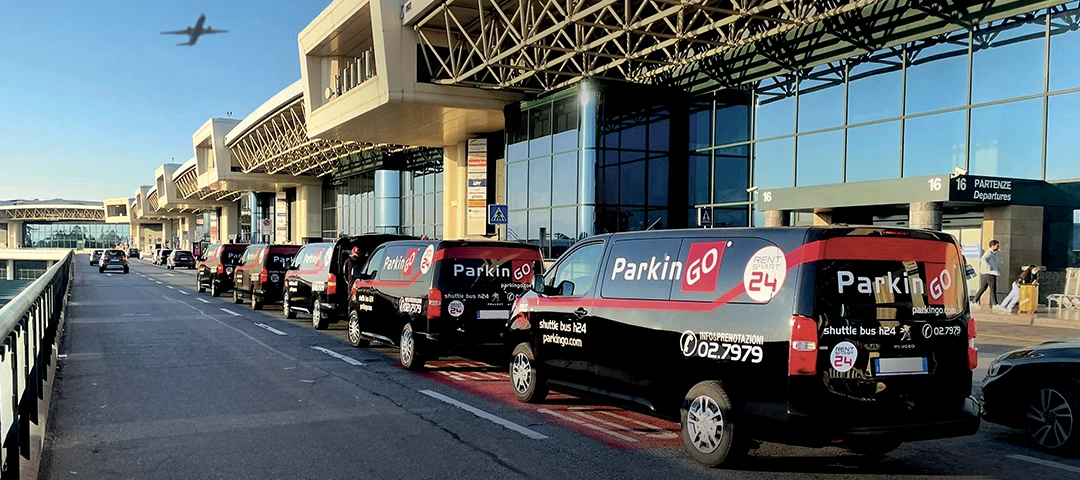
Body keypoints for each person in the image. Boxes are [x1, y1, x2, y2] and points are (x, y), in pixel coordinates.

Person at [972, 240, 1001, 308]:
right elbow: (983, 259)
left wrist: (996, 268)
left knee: (983, 288)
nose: (998, 247)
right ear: (992, 246)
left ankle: (974, 301)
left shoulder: (993, 253)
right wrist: (988, 267)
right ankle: (995, 304)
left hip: (987, 273)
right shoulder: (989, 253)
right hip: (990, 273)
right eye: (997, 245)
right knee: (993, 288)